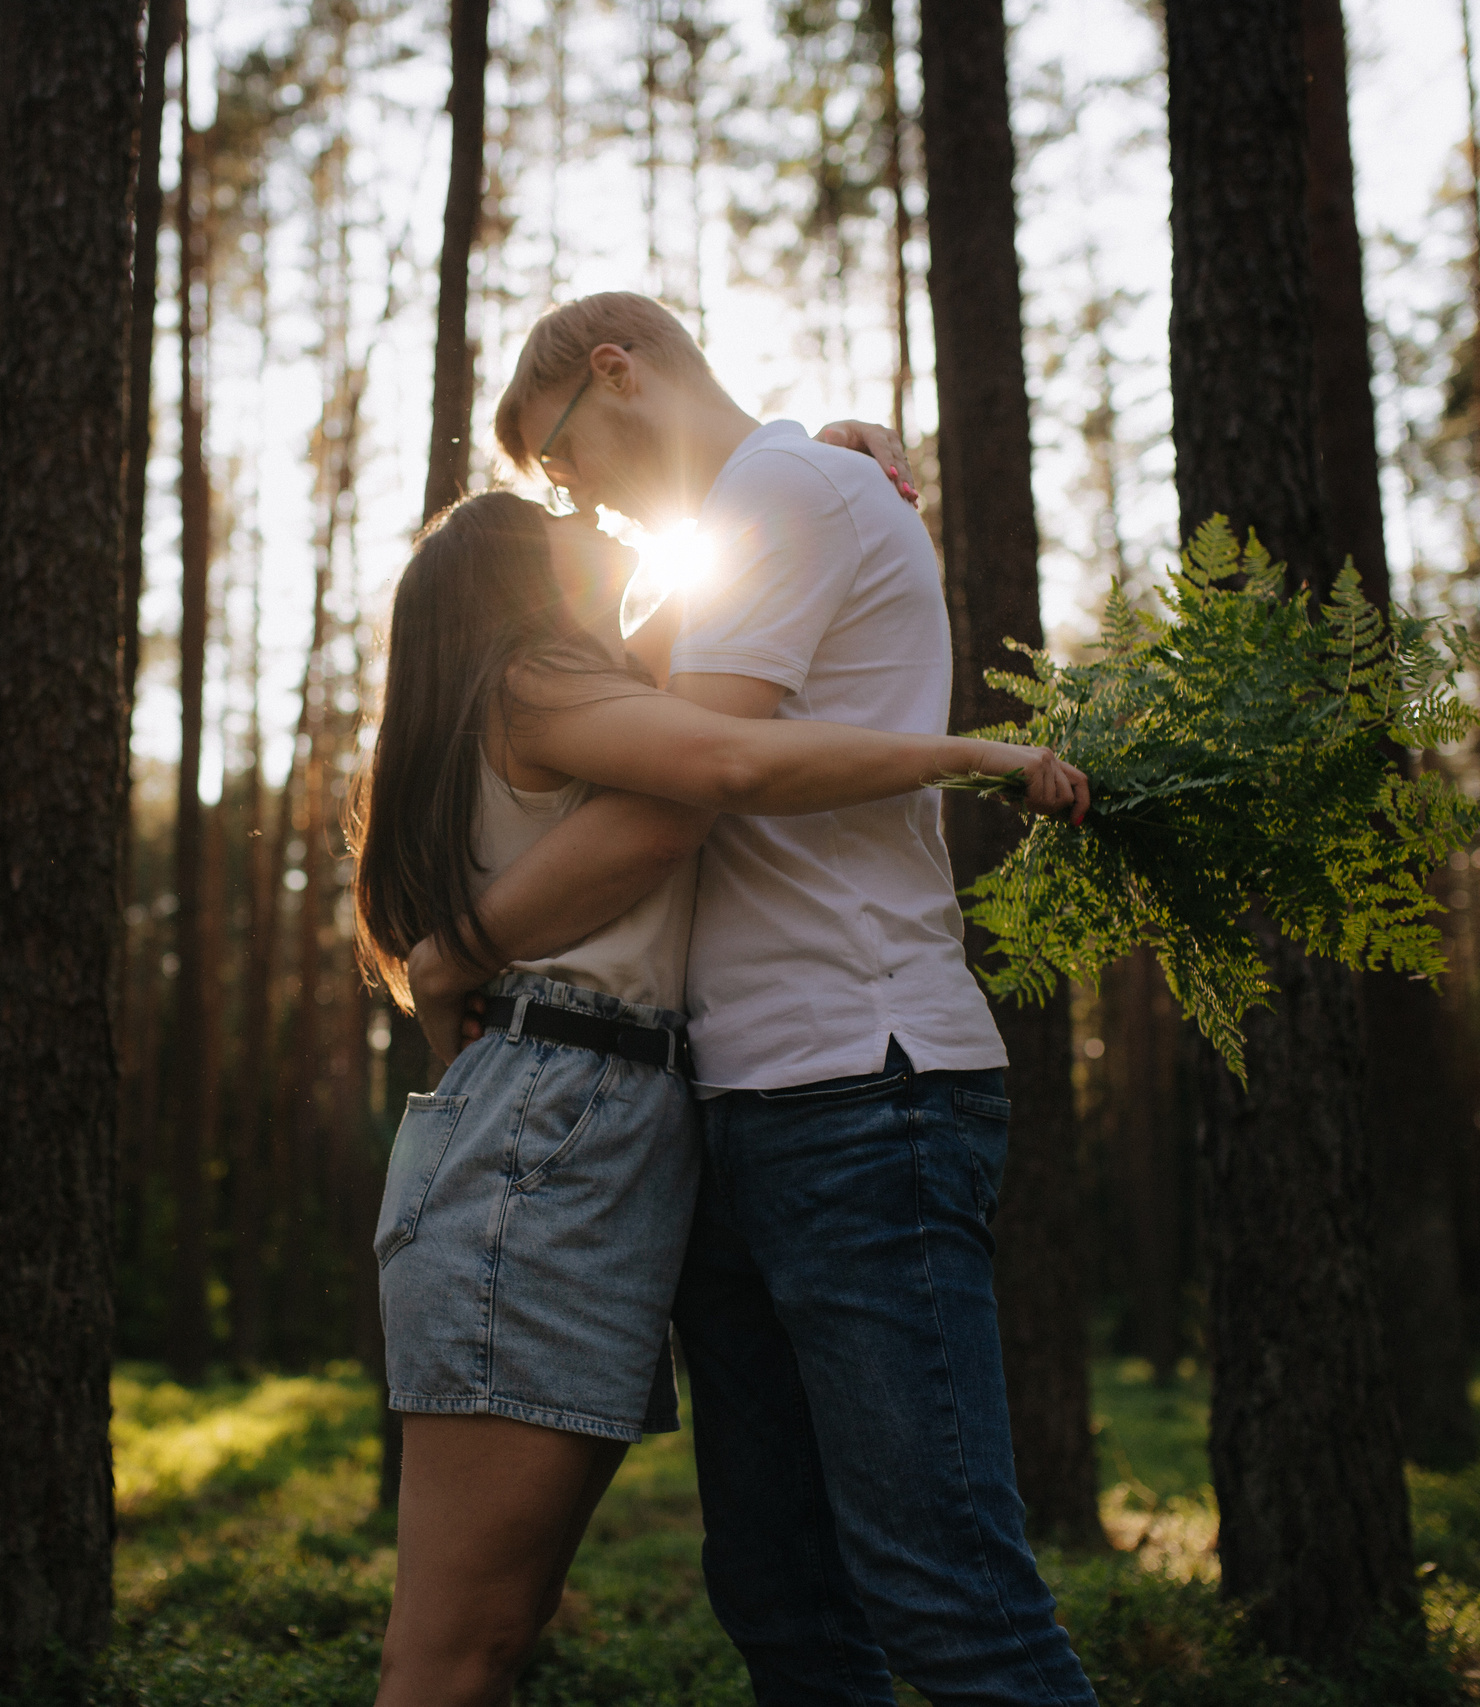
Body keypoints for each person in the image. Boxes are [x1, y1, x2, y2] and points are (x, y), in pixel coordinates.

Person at [404, 292, 1103, 1706]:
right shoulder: (776, 502)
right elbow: (654, 702)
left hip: (860, 1079)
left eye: (560, 455)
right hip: (746, 1100)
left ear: (619, 373)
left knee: (940, 1591)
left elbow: (689, 785)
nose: (570, 495)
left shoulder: (786, 491)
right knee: (784, 1597)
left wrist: (453, 951)